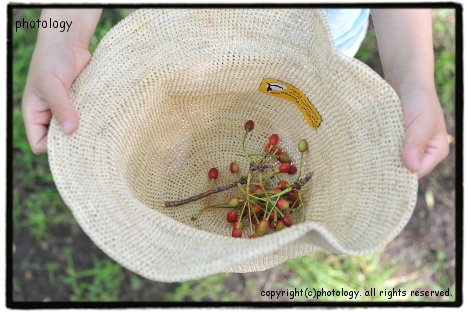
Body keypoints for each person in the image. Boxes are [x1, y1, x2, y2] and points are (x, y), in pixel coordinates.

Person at [21, 8, 449, 178]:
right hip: (187, 36)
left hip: (316, 45)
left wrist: (411, 76)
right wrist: (62, 36)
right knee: (183, 123)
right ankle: (189, 149)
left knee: (293, 120)